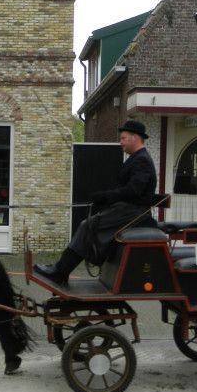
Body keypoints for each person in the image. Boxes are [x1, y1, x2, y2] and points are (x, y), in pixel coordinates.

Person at [34, 119, 157, 285]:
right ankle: (61, 268)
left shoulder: (141, 160)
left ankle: (60, 271)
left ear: (135, 138)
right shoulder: (137, 158)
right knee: (88, 225)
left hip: (133, 213)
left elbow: (134, 191)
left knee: (87, 225)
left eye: (123, 138)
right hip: (128, 209)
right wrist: (106, 199)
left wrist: (106, 197)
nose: (120, 142)